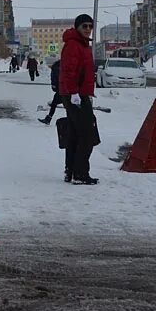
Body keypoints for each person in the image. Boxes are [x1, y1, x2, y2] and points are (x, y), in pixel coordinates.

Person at [60, 14, 99, 185]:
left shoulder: (82, 45)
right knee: (87, 134)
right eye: (84, 26)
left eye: (90, 26)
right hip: (75, 95)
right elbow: (69, 71)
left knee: (75, 134)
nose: (88, 29)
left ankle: (71, 171)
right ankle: (80, 174)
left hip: (78, 94)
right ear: (77, 27)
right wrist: (74, 93)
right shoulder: (73, 45)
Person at [38, 60, 62, 125]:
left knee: (55, 103)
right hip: (64, 88)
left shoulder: (56, 68)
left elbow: (54, 78)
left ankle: (48, 119)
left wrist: (54, 85)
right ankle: (48, 119)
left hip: (62, 89)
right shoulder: (61, 66)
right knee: (55, 103)